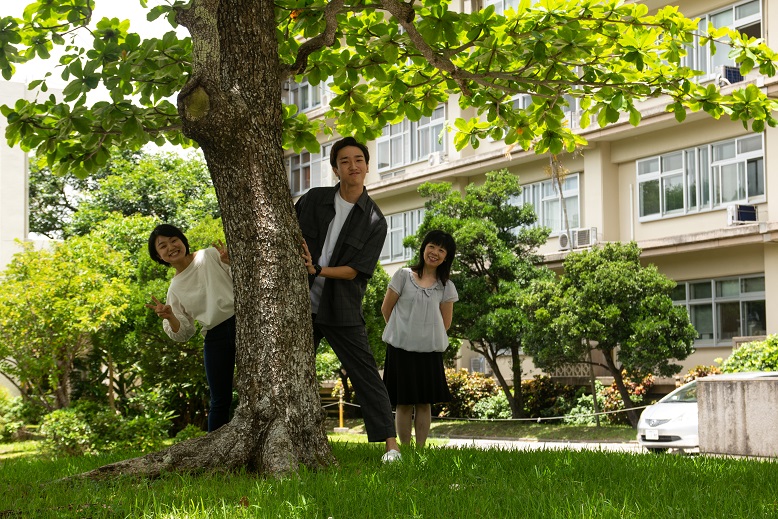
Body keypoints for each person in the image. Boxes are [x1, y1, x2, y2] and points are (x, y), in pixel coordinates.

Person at [297, 136, 401, 463]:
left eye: (358, 159)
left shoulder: (374, 221)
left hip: (341, 308)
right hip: (298, 305)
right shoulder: (314, 200)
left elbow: (355, 271)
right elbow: (286, 231)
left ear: (367, 167)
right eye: (344, 161)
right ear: (335, 169)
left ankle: (391, 446)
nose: (352, 166)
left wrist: (318, 269)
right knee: (289, 370)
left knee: (366, 372)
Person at [145, 224, 236, 433]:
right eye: (163, 246)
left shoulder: (211, 255)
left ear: (183, 240)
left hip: (243, 324)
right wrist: (170, 317)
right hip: (215, 335)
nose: (171, 247)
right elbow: (184, 332)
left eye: (173, 240)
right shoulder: (175, 288)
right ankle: (216, 451)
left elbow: (243, 281)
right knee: (220, 399)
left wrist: (231, 262)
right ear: (159, 257)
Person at [381, 230, 458, 448]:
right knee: (403, 402)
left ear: (446, 257)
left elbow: (445, 323)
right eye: (432, 246)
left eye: (442, 250)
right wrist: (404, 331)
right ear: (424, 248)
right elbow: (386, 309)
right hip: (400, 348)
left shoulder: (446, 286)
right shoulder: (403, 275)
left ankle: (420, 450)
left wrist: (424, 336)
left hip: (430, 351)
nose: (435, 252)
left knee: (424, 403)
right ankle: (404, 450)